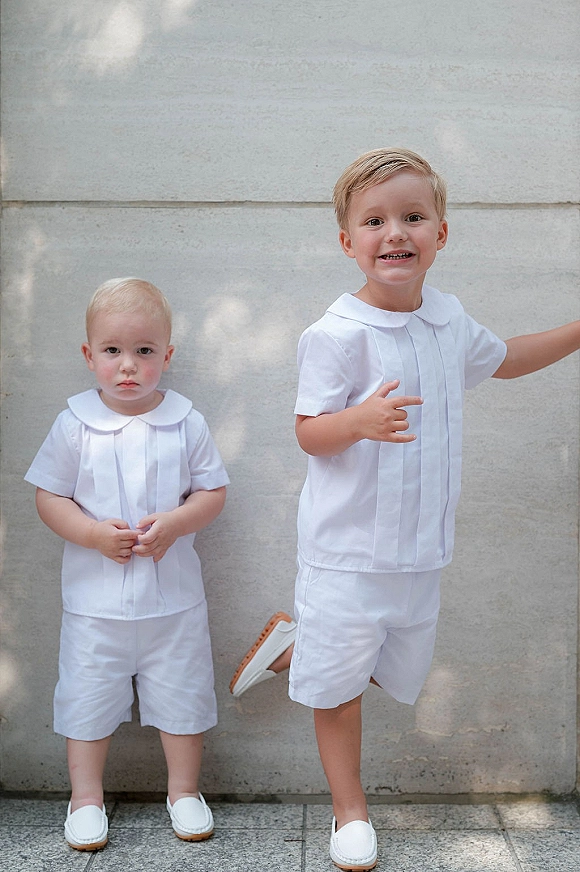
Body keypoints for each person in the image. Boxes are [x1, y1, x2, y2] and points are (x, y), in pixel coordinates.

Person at [229, 148, 580, 872]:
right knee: (340, 690)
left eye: (413, 217)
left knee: (388, 675)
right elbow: (307, 433)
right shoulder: (335, 334)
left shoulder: (449, 324)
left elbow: (505, 357)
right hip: (347, 553)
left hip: (422, 551)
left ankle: (293, 646)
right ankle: (349, 811)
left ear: (441, 234)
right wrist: (356, 421)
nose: (396, 233)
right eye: (376, 220)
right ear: (348, 241)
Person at [25, 278, 229, 851]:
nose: (129, 366)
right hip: (95, 606)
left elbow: (212, 493)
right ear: (89, 356)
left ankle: (183, 790)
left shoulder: (187, 421)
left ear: (168, 355)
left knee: (183, 694)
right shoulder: (74, 423)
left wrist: (176, 524)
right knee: (87, 697)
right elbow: (49, 496)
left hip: (174, 603)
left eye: (144, 351)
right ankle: (85, 797)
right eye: (112, 351)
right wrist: (91, 534)